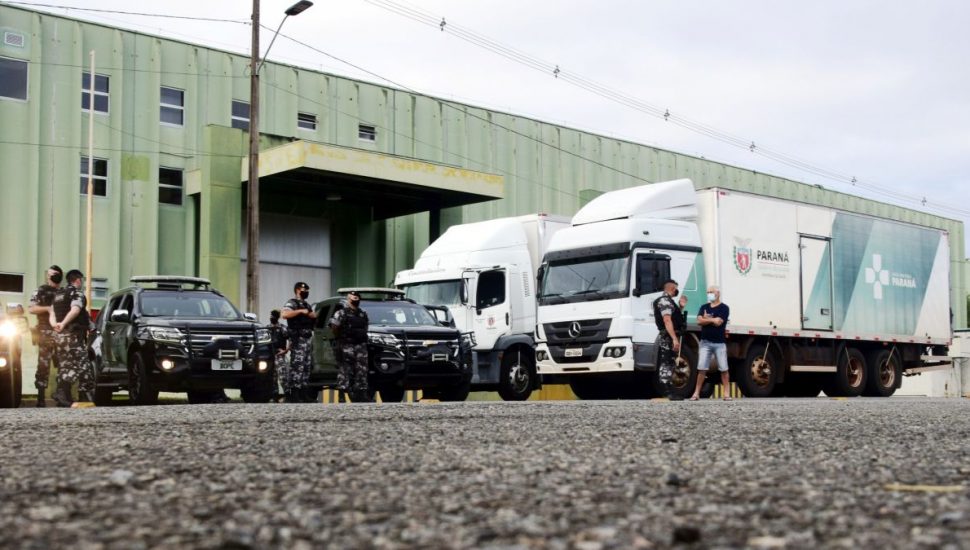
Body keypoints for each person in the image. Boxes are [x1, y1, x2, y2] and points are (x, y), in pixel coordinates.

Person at [49, 269, 94, 407]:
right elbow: (75, 310)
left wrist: (56, 325)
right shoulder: (76, 293)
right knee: (83, 366)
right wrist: (63, 323)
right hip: (73, 336)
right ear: (78, 280)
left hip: (60, 337)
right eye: (82, 280)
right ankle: (81, 395)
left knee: (65, 366)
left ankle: (64, 397)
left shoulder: (58, 294)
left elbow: (52, 313)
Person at [28, 265, 63, 407]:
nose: (52, 276)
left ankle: (62, 395)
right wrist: (48, 309)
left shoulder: (64, 292)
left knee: (63, 364)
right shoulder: (41, 290)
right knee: (43, 365)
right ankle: (41, 397)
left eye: (55, 274)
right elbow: (31, 309)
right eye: (50, 274)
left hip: (61, 331)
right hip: (45, 331)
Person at [691, 285, 731, 401]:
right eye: (708, 292)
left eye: (711, 292)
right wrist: (712, 319)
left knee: (724, 369)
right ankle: (696, 393)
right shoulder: (704, 306)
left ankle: (726, 394)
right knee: (702, 368)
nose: (709, 294)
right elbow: (699, 321)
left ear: (718, 293)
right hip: (705, 342)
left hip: (720, 343)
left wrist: (706, 319)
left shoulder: (724, 308)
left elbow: (719, 322)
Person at [329, 290, 370, 402]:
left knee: (362, 369)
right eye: (353, 298)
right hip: (346, 344)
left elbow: (365, 328)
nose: (355, 300)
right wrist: (341, 338)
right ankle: (342, 393)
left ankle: (361, 393)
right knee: (345, 369)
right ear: (348, 299)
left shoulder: (363, 314)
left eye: (357, 298)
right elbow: (334, 327)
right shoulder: (341, 313)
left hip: (360, 345)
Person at [280, 282, 316, 402]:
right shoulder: (292, 303)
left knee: (306, 367)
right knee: (297, 366)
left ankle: (303, 393)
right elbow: (284, 314)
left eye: (307, 291)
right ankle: (294, 393)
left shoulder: (307, 305)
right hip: (298, 339)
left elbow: (312, 317)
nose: (306, 292)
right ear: (297, 290)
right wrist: (300, 311)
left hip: (307, 339)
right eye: (303, 290)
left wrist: (312, 315)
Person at [653, 279, 684, 400]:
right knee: (666, 362)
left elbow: (674, 318)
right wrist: (674, 339)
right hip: (668, 336)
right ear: (672, 289)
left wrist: (680, 308)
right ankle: (666, 391)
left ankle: (670, 390)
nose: (677, 291)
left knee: (670, 362)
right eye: (676, 289)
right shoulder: (665, 301)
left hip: (669, 335)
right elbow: (667, 320)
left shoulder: (668, 301)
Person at [267, 309, 289, 402]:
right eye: (271, 316)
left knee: (283, 377)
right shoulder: (267, 328)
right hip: (270, 356)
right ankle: (274, 396)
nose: (271, 318)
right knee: (272, 377)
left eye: (273, 316)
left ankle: (288, 395)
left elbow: (291, 339)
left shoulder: (282, 328)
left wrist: (286, 350)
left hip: (279, 356)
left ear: (277, 317)